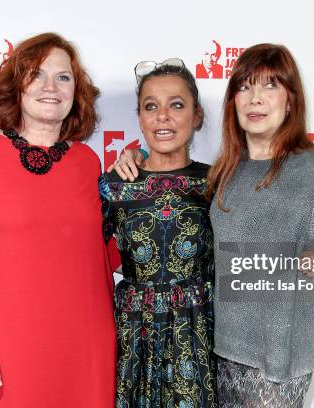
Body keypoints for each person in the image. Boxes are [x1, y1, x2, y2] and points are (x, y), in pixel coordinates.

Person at [0, 33, 115, 407]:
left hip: (89, 343)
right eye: (37, 74)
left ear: (76, 91)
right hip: (14, 345)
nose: (51, 87)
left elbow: (106, 254)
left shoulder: (87, 162)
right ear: (17, 86)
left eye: (63, 77)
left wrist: (143, 179)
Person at [206, 43, 314, 407]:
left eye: (270, 86)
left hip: (276, 359)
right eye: (245, 86)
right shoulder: (225, 171)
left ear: (290, 101)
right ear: (233, 100)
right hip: (222, 349)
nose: (255, 98)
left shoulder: (311, 166)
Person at [100, 59, 217, 407]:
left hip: (198, 334)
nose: (162, 116)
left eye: (176, 105)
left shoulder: (215, 182)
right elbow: (78, 253)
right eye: (151, 106)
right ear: (139, 116)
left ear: (196, 116)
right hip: (134, 334)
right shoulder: (114, 186)